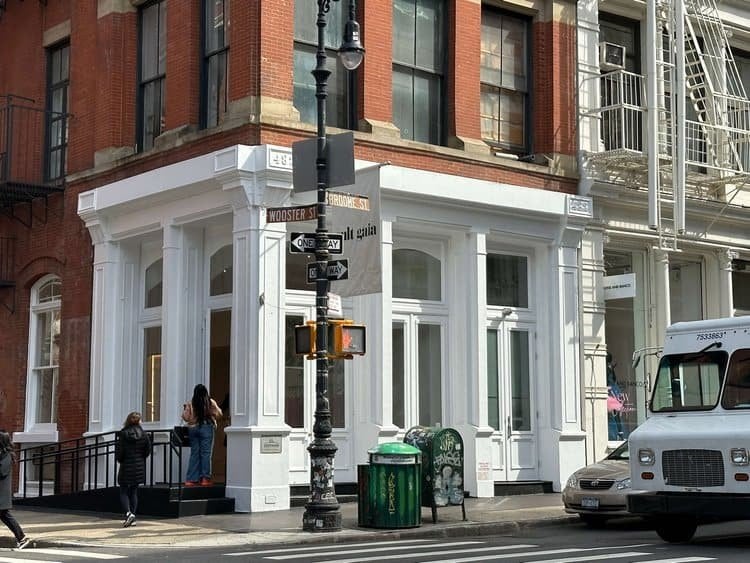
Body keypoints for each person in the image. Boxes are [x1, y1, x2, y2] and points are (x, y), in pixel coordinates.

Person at [116, 412, 152, 528]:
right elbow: (147, 451)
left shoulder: (123, 434)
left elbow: (120, 452)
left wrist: (120, 459)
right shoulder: (144, 434)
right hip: (139, 466)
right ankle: (133, 517)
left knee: (123, 491)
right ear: (139, 421)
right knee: (134, 492)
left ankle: (128, 514)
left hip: (126, 465)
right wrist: (140, 458)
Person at [182, 384, 222, 487]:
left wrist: (185, 409)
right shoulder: (210, 402)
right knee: (206, 453)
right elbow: (219, 414)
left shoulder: (191, 403)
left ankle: (191, 479)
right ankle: (205, 478)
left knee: (194, 453)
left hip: (193, 428)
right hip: (207, 427)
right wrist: (212, 413)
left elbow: (185, 417)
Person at [0, 431, 30, 550]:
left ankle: (22, 538)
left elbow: (2, 472)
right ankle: (22, 538)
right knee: (5, 516)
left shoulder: (6, 455)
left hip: (1, 493)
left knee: (6, 516)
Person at [606, 353, 625, 440]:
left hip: (611, 392)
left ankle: (616, 434)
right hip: (614, 391)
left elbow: (608, 381)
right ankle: (620, 433)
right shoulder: (610, 368)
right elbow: (614, 379)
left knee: (612, 416)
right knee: (616, 415)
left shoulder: (606, 369)